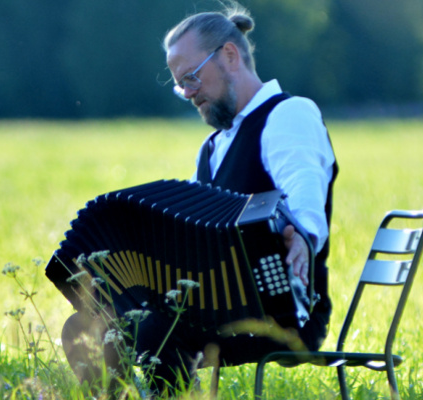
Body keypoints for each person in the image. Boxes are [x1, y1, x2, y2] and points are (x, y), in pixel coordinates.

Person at [60, 5, 338, 395]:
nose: (189, 93)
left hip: (283, 314)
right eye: (180, 84)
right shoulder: (210, 148)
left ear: (229, 55)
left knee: (158, 327)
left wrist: (302, 237)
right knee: (84, 327)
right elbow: (183, 234)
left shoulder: (289, 115)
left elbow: (305, 196)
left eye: (192, 77)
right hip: (211, 309)